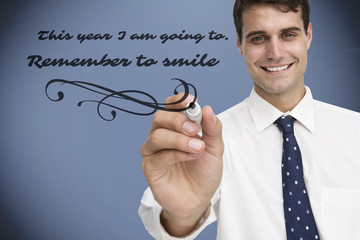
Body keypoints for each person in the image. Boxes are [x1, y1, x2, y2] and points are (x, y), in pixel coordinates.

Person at [139, 0, 360, 239]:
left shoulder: (355, 131)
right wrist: (181, 217)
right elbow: (164, 219)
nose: (275, 53)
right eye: (258, 38)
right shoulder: (211, 144)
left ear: (308, 35)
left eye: (288, 34)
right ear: (240, 44)